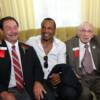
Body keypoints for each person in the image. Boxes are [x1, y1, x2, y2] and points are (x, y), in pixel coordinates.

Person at [26, 18, 82, 100]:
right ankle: (74, 83)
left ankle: (75, 85)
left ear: (54, 30)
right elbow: (24, 57)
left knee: (71, 93)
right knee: (49, 97)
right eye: (43, 27)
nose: (46, 31)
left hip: (54, 75)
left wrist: (58, 76)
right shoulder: (31, 41)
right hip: (39, 78)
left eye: (49, 28)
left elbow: (61, 65)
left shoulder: (60, 45)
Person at [0, 16, 44, 100]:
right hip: (7, 89)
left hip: (27, 88)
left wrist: (38, 82)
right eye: (8, 28)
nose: (13, 31)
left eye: (15, 27)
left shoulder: (28, 49)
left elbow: (38, 69)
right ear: (1, 31)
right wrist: (3, 92)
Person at [66, 21, 100, 100]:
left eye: (89, 31)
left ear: (92, 34)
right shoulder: (69, 44)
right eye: (83, 31)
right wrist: (72, 72)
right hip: (80, 79)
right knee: (84, 95)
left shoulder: (97, 42)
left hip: (97, 77)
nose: (86, 34)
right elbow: (65, 63)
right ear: (78, 33)